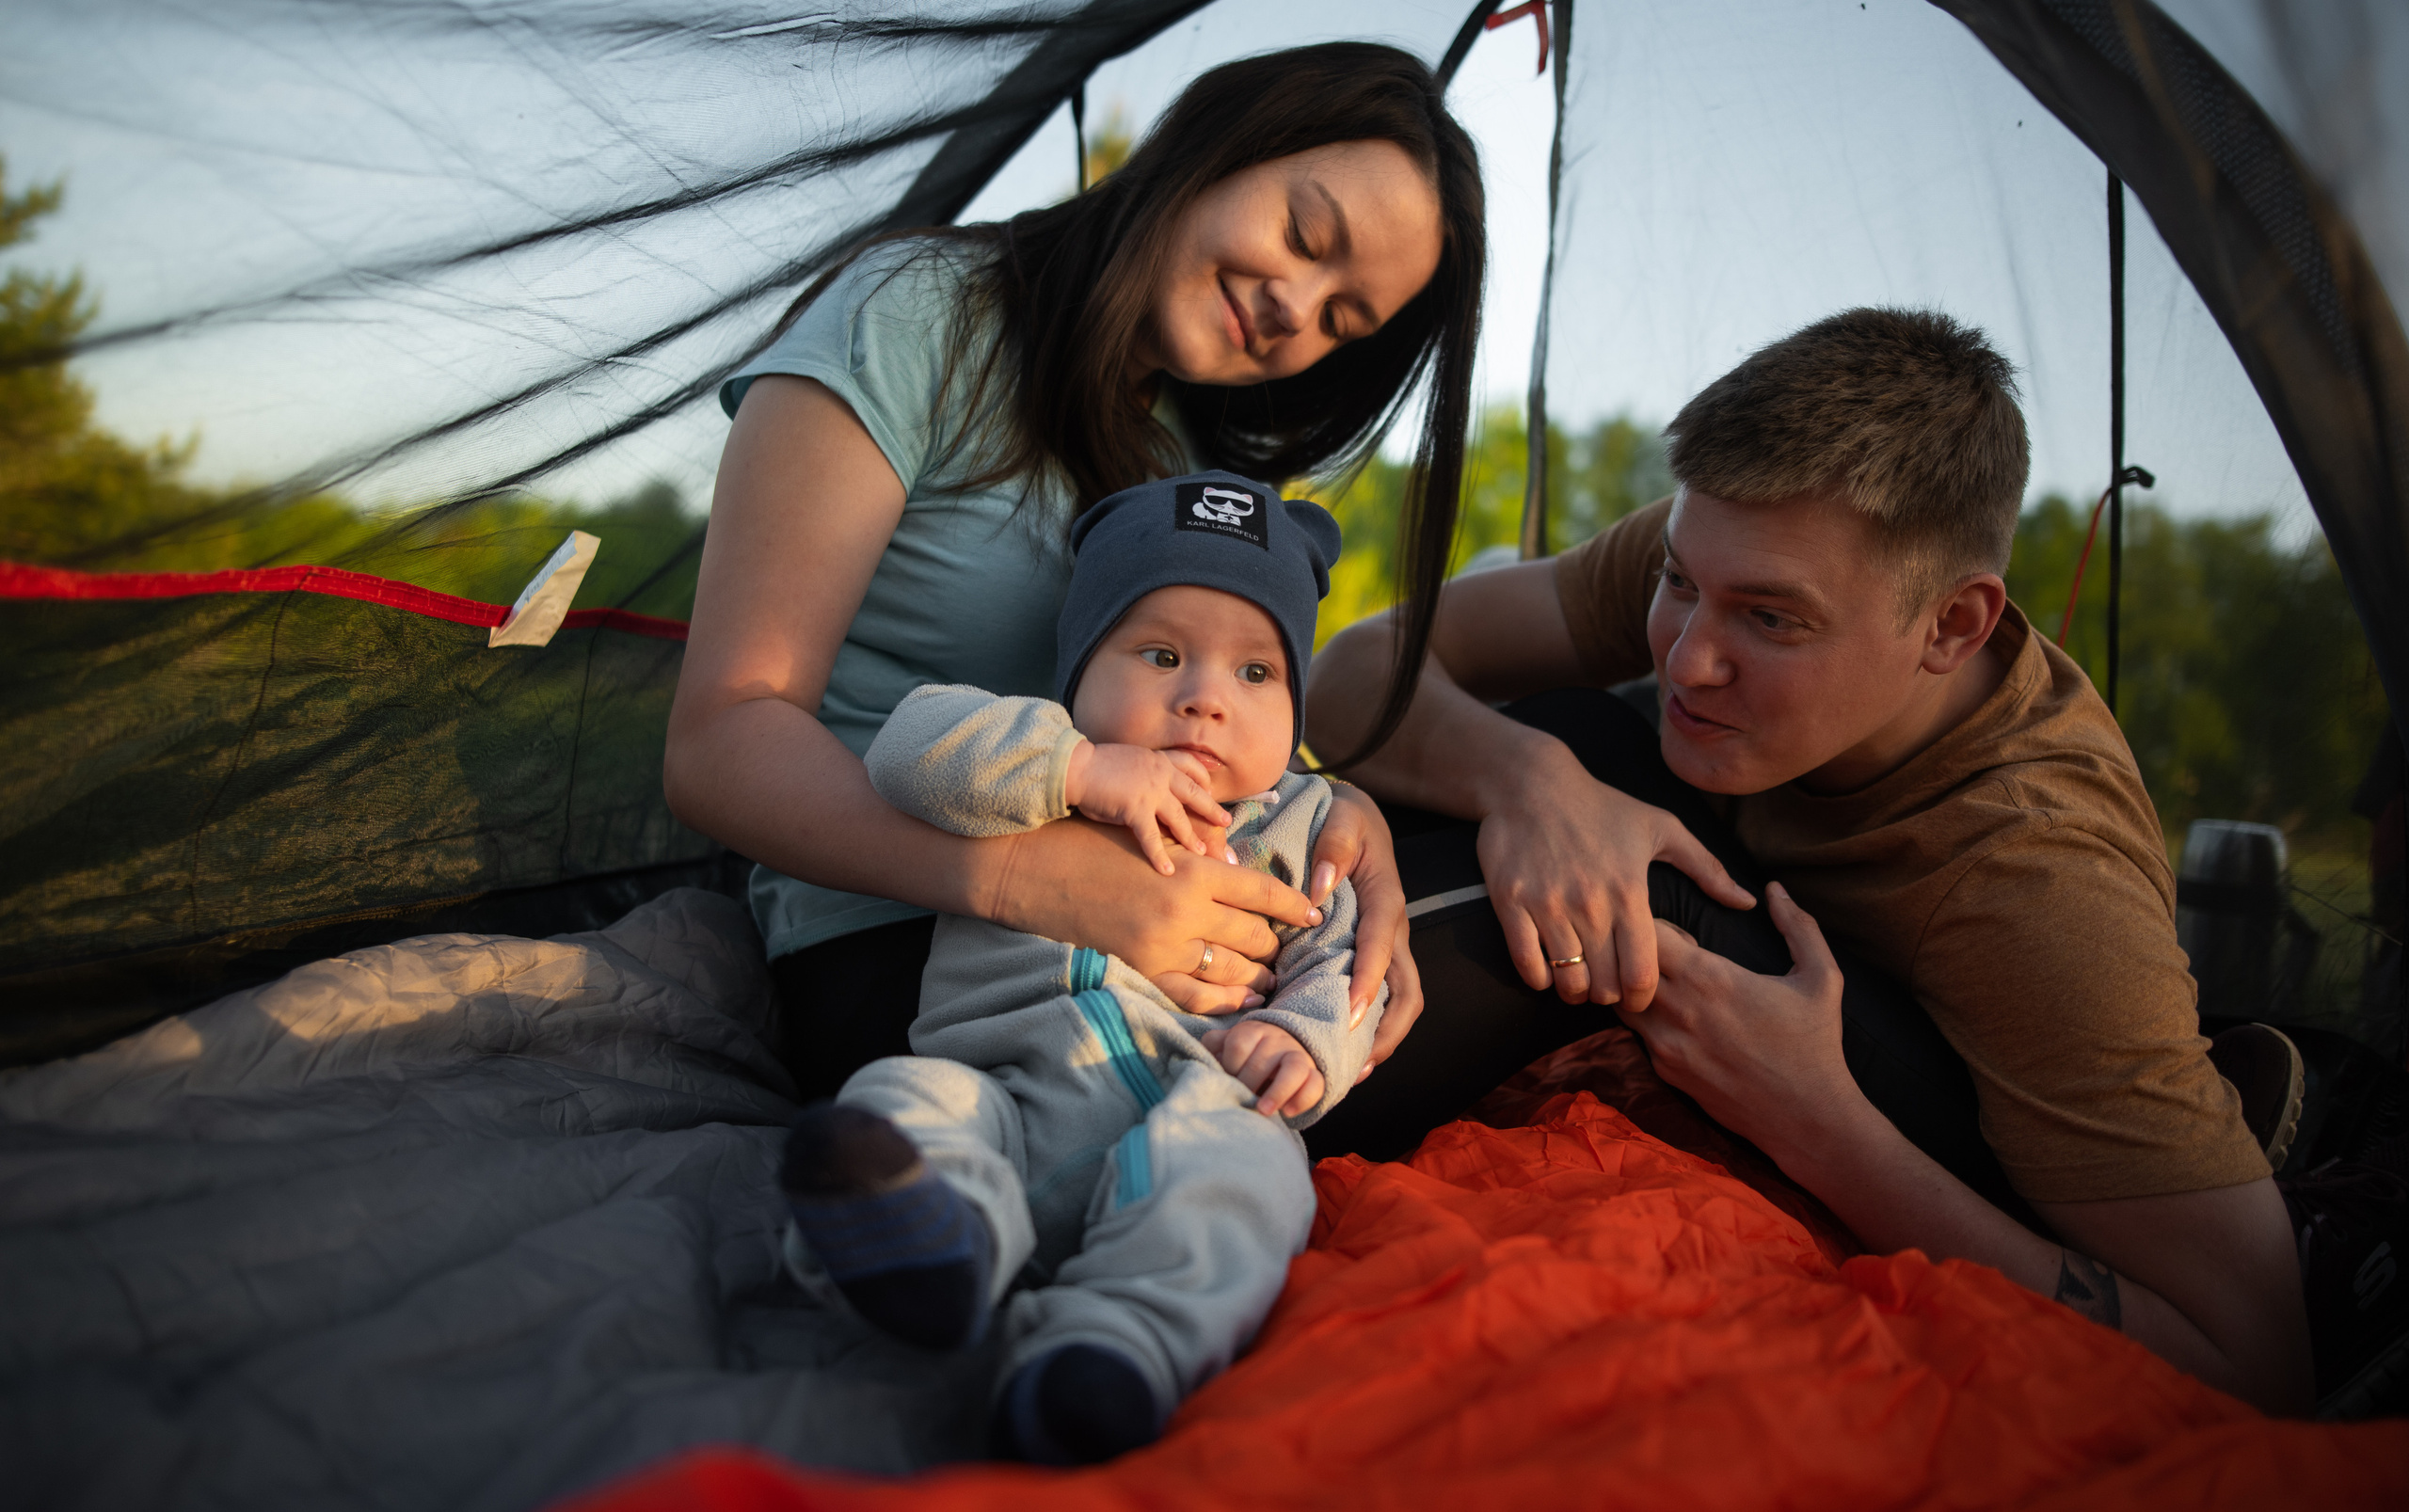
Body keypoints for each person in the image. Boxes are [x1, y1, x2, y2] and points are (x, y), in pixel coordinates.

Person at [1304, 308, 2316, 1413]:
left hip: (1920, 1120)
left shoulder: (2036, 891)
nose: (1690, 657)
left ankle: (1202, 1088)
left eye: (1770, 622)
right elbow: (1358, 672)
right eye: (1678, 583)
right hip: (1762, 936)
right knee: (1567, 743)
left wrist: (1817, 1122)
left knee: (1641, 872)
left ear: (1951, 628)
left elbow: (2253, 1361)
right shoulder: (1744, 546)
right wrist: (1525, 781)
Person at [664, 44, 1483, 1108]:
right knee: (1624, 930)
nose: (1296, 310)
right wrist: (1025, 877)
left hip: (1168, 937)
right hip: (908, 950)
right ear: (1215, 150)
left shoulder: (1188, 457)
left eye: (1340, 319)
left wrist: (1336, 812)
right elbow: (720, 737)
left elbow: (1193, 719)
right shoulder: (918, 317)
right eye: (1303, 236)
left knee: (1534, 832)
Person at [782, 472, 1380, 1466]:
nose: (1203, 698)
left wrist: (1307, 1037)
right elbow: (905, 749)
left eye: (1256, 674)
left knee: (1255, 1179)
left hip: (1189, 1104)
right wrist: (1080, 771)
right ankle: (935, 1240)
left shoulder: (1303, 821)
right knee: (904, 1096)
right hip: (1002, 1090)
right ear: (1080, 663)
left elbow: (1342, 958)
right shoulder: (1035, 754)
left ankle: (1110, 1350)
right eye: (1159, 654)